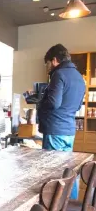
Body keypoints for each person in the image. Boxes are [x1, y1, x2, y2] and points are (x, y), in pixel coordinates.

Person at [37, 44, 85, 199]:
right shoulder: (79, 77)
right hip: (69, 130)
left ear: (55, 60)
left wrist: (40, 102)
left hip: (55, 129)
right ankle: (70, 202)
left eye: (48, 63)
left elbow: (53, 103)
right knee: (67, 169)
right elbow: (78, 106)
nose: (48, 67)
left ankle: (53, 210)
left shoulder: (59, 75)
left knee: (54, 172)